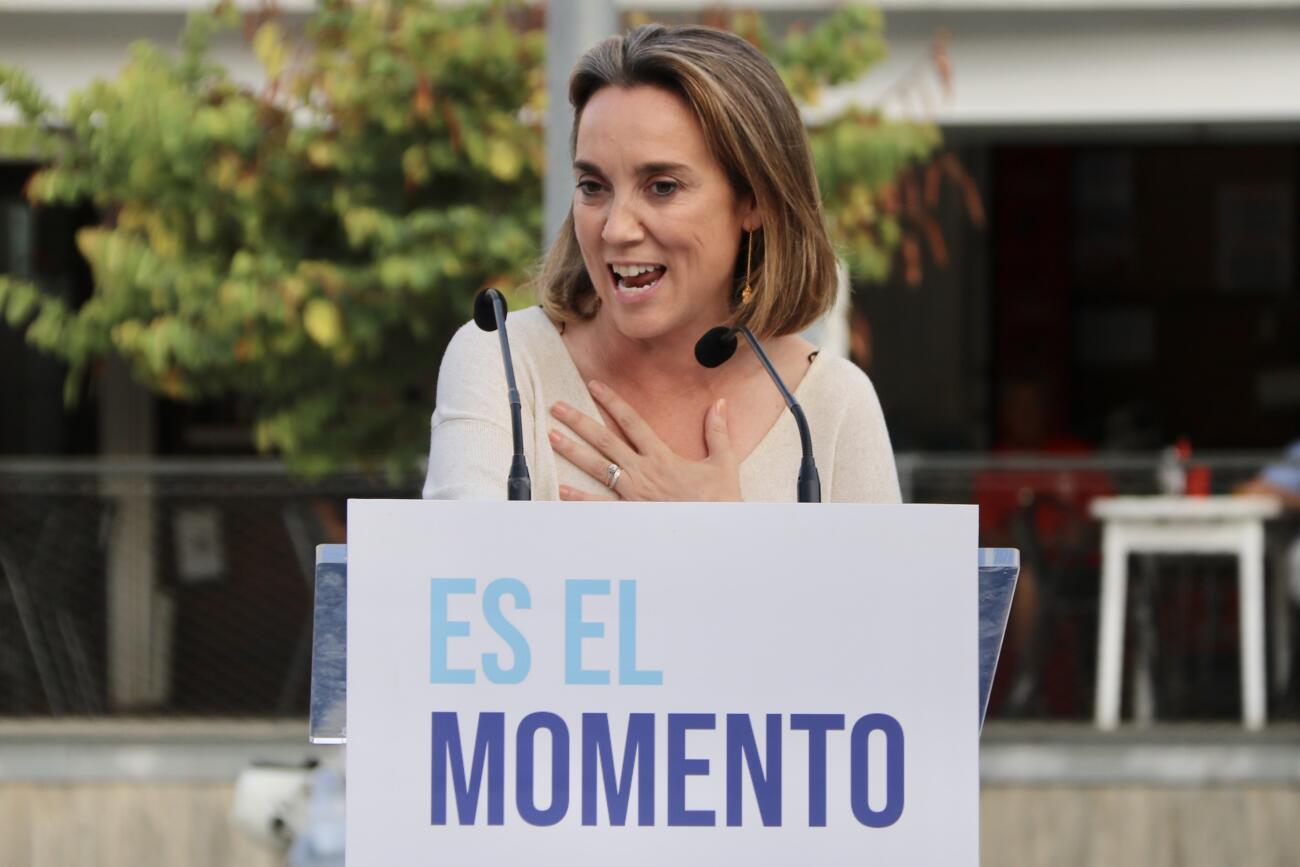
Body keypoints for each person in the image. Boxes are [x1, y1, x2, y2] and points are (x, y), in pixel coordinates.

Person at [423, 24, 899, 503]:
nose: (616, 229)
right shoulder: (505, 361)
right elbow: (456, 551)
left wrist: (723, 529)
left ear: (754, 201)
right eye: (593, 186)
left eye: (662, 187)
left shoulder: (831, 405)